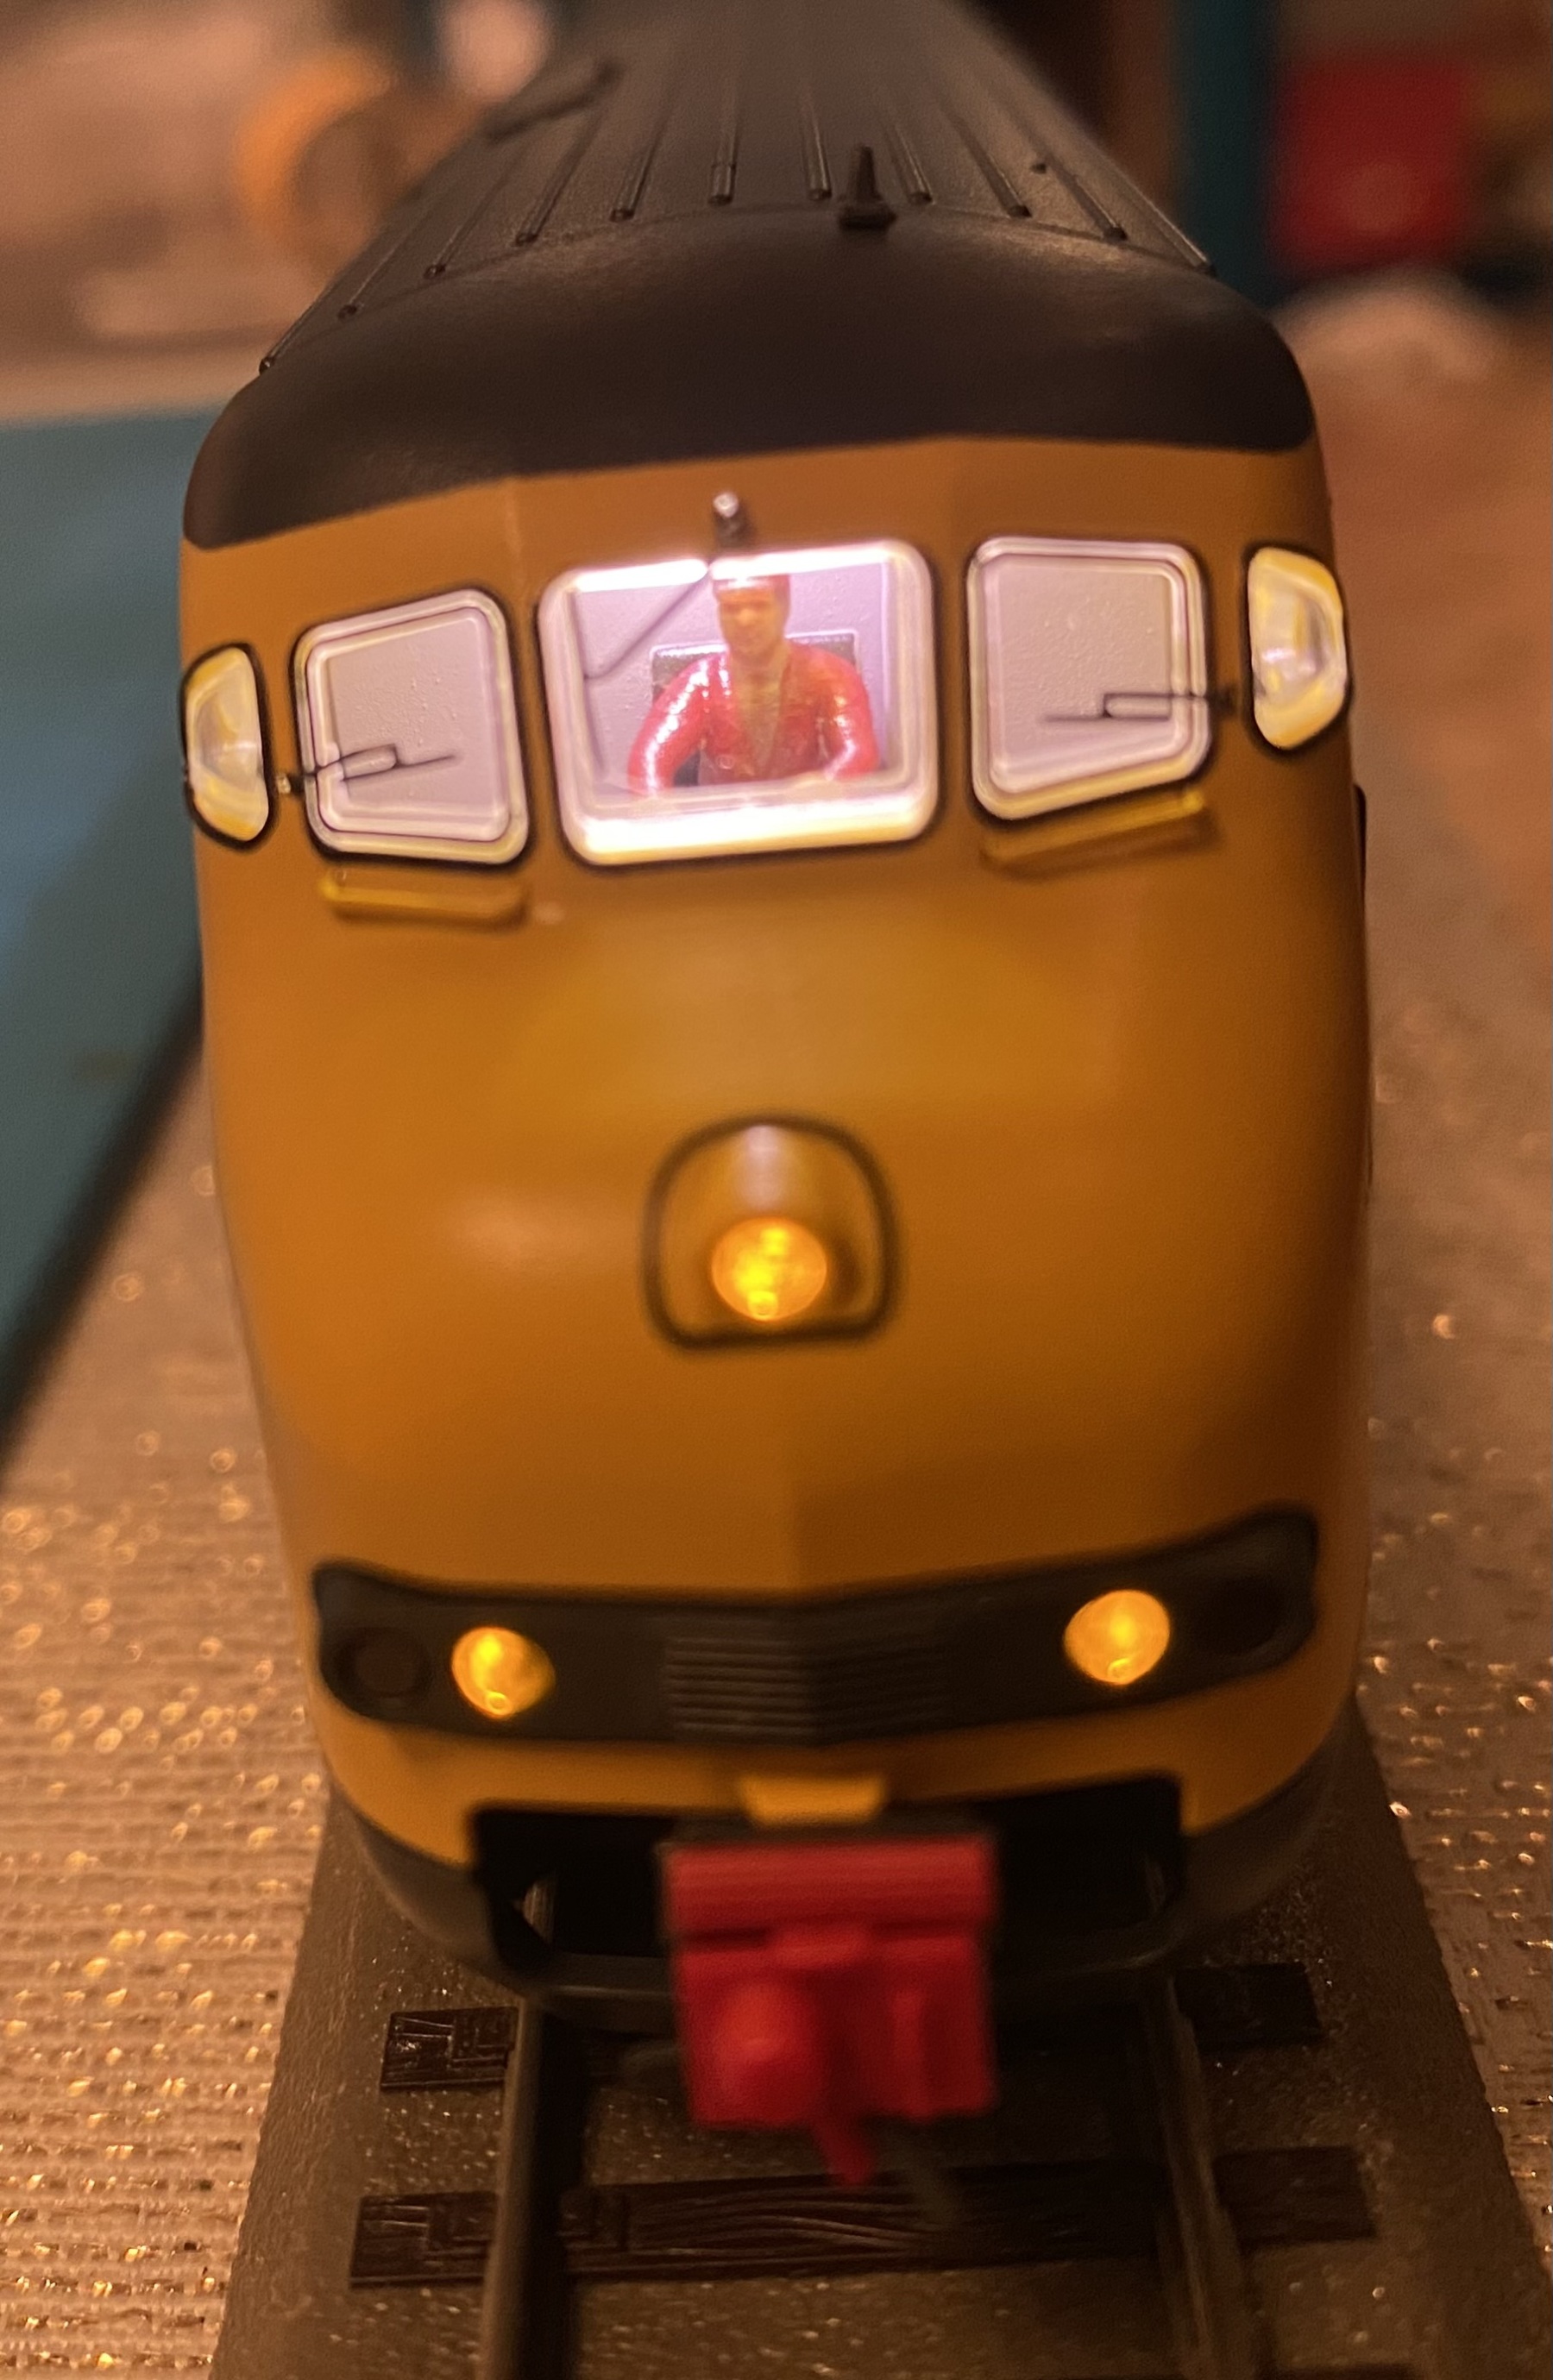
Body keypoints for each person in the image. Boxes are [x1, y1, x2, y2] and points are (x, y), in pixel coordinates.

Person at [627, 575, 879, 791]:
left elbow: (859, 751)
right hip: (727, 821)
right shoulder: (701, 682)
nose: (745, 620)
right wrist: (655, 801)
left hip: (805, 816)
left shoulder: (828, 673)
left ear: (784, 606)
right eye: (731, 608)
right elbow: (648, 759)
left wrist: (830, 783)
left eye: (759, 605)